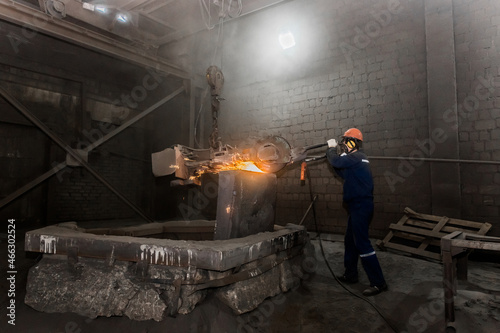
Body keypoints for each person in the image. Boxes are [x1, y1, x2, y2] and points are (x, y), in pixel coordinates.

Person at [326, 128, 387, 296]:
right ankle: (351, 274)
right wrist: (334, 157)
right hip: (355, 206)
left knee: (362, 244)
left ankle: (378, 282)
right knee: (350, 241)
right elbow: (340, 169)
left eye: (346, 141)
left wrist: (331, 150)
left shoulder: (358, 157)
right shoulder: (353, 160)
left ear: (353, 143)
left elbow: (337, 162)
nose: (344, 144)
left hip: (361, 205)